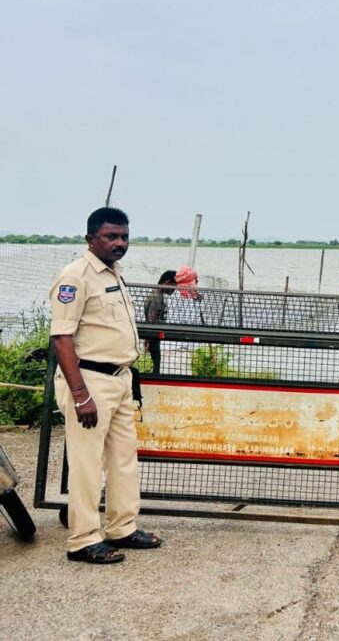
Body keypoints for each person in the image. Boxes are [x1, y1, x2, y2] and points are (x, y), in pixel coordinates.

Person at [49, 206, 162, 564]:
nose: (120, 243)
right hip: (90, 382)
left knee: (123, 458)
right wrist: (81, 395)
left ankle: (121, 527)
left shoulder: (114, 273)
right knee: (86, 463)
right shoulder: (76, 276)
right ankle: (82, 539)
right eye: (111, 236)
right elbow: (62, 337)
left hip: (120, 379)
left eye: (124, 236)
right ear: (90, 238)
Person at [143, 270, 177, 374]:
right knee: (156, 361)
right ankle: (154, 379)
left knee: (157, 360)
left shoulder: (158, 295)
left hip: (155, 333)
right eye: (174, 286)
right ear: (167, 282)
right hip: (153, 334)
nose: (174, 290)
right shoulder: (156, 298)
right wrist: (147, 339)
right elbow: (151, 318)